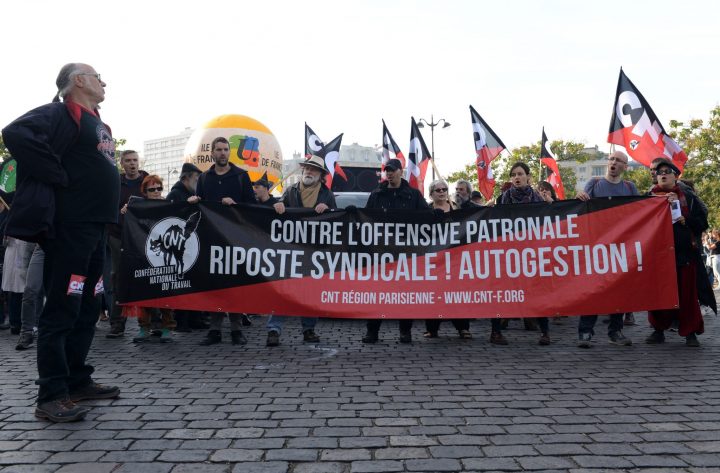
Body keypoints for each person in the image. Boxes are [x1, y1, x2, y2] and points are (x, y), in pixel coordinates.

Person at [2, 63, 121, 422]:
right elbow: (15, 132)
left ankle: (76, 380)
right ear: (79, 80)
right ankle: (51, 395)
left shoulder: (97, 122)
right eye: (97, 76)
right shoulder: (60, 112)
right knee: (62, 307)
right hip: (71, 228)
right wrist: (55, 172)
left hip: (96, 229)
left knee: (88, 305)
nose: (104, 81)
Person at [190, 137, 254, 346]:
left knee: (235, 285)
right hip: (212, 239)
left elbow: (252, 207)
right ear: (212, 153)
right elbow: (199, 205)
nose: (223, 153)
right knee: (214, 285)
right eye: (218, 149)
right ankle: (214, 330)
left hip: (235, 239)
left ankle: (236, 329)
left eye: (226, 149)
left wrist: (235, 205)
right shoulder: (204, 178)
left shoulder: (241, 176)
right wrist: (194, 202)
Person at [268, 156, 334, 346]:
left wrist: (328, 209)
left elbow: (336, 220)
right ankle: (274, 330)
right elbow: (279, 207)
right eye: (306, 168)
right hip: (291, 250)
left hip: (314, 252)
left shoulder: (327, 195)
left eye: (313, 169)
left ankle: (308, 329)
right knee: (283, 291)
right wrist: (278, 205)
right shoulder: (291, 190)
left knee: (310, 292)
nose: (309, 171)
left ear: (321, 175)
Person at [362, 158, 429, 344]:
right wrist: (353, 213)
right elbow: (366, 216)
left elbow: (425, 217)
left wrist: (435, 214)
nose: (389, 173)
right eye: (387, 171)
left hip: (406, 253)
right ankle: (372, 331)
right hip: (381, 253)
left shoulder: (413, 195)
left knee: (405, 293)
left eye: (392, 170)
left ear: (401, 171)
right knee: (377, 294)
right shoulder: (376, 194)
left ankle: (405, 332)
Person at [575, 151, 637, 348]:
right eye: (611, 159)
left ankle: (615, 331)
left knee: (619, 290)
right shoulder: (594, 184)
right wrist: (579, 197)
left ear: (625, 166)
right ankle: (585, 331)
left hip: (621, 247)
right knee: (593, 290)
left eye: (618, 160)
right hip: (597, 247)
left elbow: (640, 211)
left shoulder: (630, 188)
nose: (613, 162)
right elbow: (581, 210)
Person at [646, 160, 707, 347]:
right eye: (659, 172)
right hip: (658, 256)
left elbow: (702, 223)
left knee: (687, 295)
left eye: (667, 171)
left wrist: (685, 218)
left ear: (675, 176)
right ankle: (658, 330)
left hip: (685, 254)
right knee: (659, 295)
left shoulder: (688, 197)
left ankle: (690, 332)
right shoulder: (647, 198)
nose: (663, 174)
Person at [497, 162, 551, 345]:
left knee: (537, 290)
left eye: (520, 174)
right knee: (508, 288)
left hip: (532, 251)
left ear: (528, 177)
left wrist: (550, 204)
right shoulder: (504, 198)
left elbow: (549, 220)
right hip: (511, 251)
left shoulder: (538, 198)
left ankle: (544, 331)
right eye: (513, 175)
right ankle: (501, 324)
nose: (516, 177)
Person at [121, 175, 177, 343]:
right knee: (143, 291)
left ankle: (167, 327)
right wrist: (127, 210)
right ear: (145, 192)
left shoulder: (169, 205)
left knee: (165, 292)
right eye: (152, 189)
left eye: (159, 188)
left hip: (165, 255)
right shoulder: (139, 207)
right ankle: (144, 327)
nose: (156, 192)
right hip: (143, 254)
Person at [106, 150, 148, 338]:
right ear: (122, 164)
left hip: (142, 236)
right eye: (129, 161)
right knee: (118, 278)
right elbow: (107, 206)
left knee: (145, 276)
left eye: (135, 160)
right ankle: (117, 323)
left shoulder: (148, 181)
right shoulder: (115, 182)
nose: (132, 164)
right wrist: (119, 213)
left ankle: (148, 323)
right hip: (118, 235)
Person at [424, 179, 471, 340]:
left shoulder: (456, 208)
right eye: (438, 190)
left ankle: (463, 327)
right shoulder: (426, 210)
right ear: (431, 194)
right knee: (434, 293)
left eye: (444, 189)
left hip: (454, 257)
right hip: (434, 258)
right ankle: (432, 329)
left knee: (455, 293)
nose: (442, 192)